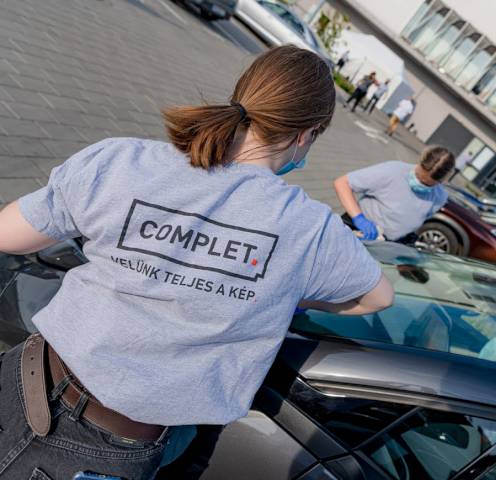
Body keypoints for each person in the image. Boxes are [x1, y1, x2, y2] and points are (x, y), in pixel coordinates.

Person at [0, 45, 394, 479]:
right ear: (307, 134)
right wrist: (282, 293)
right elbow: (377, 297)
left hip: (25, 375)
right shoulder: (312, 230)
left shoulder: (123, 159)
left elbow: (9, 234)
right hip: (102, 447)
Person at [333, 146, 455, 243]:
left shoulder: (439, 197)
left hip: (385, 244)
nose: (419, 183)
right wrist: (359, 219)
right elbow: (343, 183)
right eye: (418, 176)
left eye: (426, 184)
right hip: (356, 230)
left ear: (441, 181)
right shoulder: (392, 171)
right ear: (420, 162)